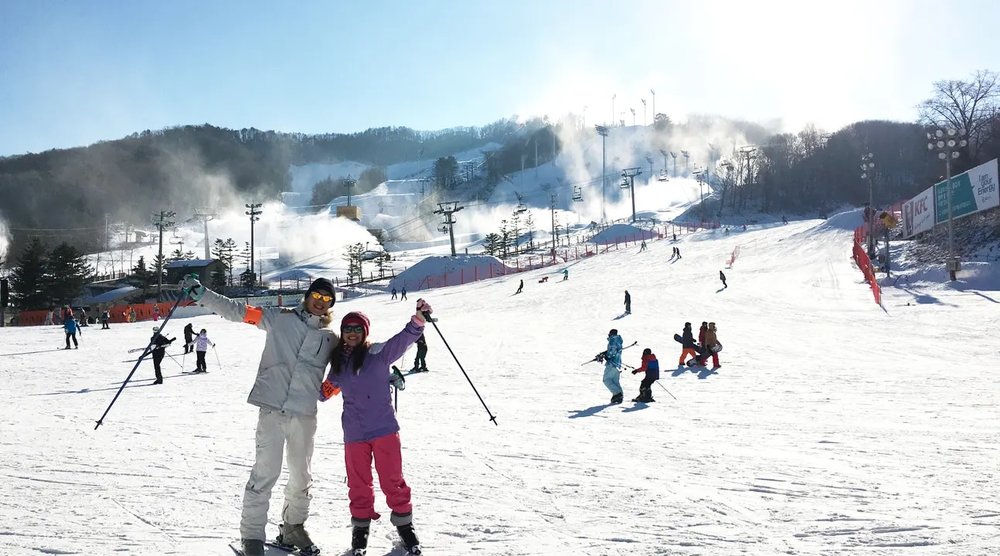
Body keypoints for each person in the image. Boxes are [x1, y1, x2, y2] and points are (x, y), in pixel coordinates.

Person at [179, 274, 338, 556]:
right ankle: (252, 537)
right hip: (273, 409)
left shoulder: (331, 338)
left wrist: (380, 374)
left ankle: (293, 527)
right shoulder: (280, 319)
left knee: (302, 476)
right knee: (266, 473)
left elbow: (351, 366)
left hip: (304, 414)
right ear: (308, 295)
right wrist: (202, 294)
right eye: (317, 295)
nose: (320, 301)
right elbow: (238, 311)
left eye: (326, 299)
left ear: (330, 305)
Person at [318, 299, 433, 556]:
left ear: (365, 332)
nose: (352, 333)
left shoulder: (379, 354)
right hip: (355, 435)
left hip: (384, 431)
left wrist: (419, 319)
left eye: (358, 329)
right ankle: (360, 532)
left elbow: (404, 339)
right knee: (358, 484)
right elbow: (323, 394)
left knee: (393, 480)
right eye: (348, 328)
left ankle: (405, 527)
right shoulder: (338, 366)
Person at [598, 329, 624, 404]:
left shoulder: (613, 340)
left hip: (612, 363)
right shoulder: (619, 341)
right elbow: (615, 350)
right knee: (614, 381)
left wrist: (607, 356)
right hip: (617, 363)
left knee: (606, 380)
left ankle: (617, 394)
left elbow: (612, 352)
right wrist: (605, 353)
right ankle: (619, 396)